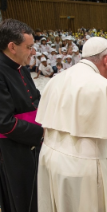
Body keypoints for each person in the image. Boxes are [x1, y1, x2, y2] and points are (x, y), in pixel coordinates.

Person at [36, 37, 107, 212]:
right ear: (106, 60)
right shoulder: (102, 85)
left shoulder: (57, 78)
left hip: (48, 159)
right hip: (80, 167)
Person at [0, 19, 44, 212]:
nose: (33, 52)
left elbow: (35, 98)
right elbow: (4, 123)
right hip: (13, 148)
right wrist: (41, 132)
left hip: (31, 142)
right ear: (12, 46)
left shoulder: (21, 67)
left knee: (37, 192)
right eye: (29, 47)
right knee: (22, 197)